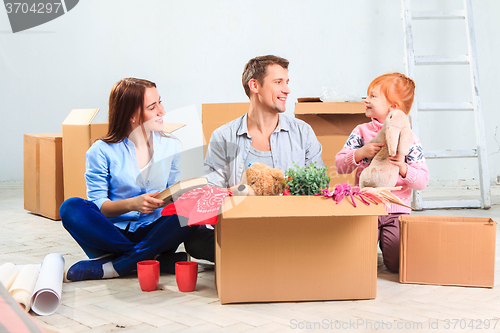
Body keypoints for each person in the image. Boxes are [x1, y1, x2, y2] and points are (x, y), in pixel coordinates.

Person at [184, 55, 325, 262]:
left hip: (290, 225)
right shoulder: (224, 136)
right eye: (278, 82)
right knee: (194, 240)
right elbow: (211, 192)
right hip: (241, 228)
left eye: (287, 82)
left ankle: (249, 257)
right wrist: (236, 193)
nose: (287, 89)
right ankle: (268, 255)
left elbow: (318, 185)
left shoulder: (302, 132)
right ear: (254, 85)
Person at [60, 78, 197, 281]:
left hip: (155, 231)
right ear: (133, 115)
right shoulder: (100, 151)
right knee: (71, 207)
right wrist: (133, 204)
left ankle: (120, 265)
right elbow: (98, 205)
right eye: (153, 107)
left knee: (194, 208)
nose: (162, 111)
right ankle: (150, 258)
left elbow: (173, 194)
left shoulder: (172, 146)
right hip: (112, 235)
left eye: (160, 102)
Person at [335, 73, 429, 273]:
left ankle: (386, 247)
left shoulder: (410, 139)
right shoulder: (361, 132)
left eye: (373, 96)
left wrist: (404, 168)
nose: (366, 100)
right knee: (359, 261)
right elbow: (340, 166)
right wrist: (360, 153)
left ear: (393, 107)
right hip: (366, 208)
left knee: (396, 264)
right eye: (367, 95)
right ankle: (368, 248)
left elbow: (422, 181)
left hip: (397, 212)